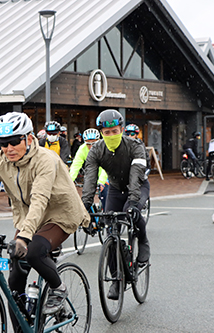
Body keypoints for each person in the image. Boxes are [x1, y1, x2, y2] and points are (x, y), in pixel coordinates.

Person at [0, 112, 89, 330]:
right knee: (15, 278)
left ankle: (59, 288)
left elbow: (40, 199)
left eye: (14, 141)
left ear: (28, 138)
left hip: (60, 214)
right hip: (28, 218)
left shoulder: (46, 159)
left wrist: (24, 237)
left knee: (33, 251)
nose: (9, 148)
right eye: (3, 143)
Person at [81, 109, 149, 300]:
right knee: (111, 232)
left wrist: (134, 202)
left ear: (121, 129)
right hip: (115, 189)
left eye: (115, 131)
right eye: (107, 132)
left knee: (133, 213)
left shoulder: (135, 145)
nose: (111, 135)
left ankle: (143, 240)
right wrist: (85, 205)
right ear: (102, 133)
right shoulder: (96, 150)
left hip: (137, 187)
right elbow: (90, 178)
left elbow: (136, 176)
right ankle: (116, 280)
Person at [69, 128, 108, 208]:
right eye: (88, 144)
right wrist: (70, 180)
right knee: (86, 197)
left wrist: (101, 181)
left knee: (105, 194)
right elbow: (76, 164)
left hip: (105, 174)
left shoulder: (104, 147)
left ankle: (106, 215)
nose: (91, 146)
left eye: (94, 143)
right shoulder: (82, 149)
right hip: (91, 174)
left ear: (99, 140)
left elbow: (106, 168)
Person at [124, 123, 151, 210]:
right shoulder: (123, 144)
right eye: (127, 134)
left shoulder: (140, 145)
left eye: (132, 134)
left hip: (140, 171)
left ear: (136, 135)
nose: (129, 136)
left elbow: (146, 162)